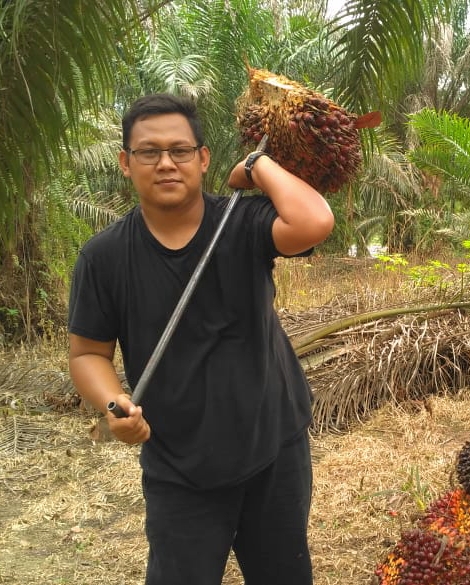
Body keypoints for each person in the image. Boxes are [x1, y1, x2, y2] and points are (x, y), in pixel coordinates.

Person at [67, 93, 334, 585]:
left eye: (180, 150)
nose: (166, 163)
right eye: (148, 152)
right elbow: (87, 353)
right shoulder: (103, 258)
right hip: (179, 466)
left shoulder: (243, 222)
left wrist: (258, 165)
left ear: (203, 158)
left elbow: (315, 221)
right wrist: (112, 406)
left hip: (272, 446)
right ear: (126, 163)